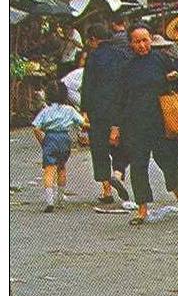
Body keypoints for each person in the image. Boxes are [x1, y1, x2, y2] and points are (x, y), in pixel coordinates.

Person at [109, 24, 178, 225]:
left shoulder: (161, 58)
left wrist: (173, 76)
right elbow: (118, 98)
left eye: (145, 40)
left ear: (151, 40)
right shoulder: (125, 68)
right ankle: (142, 209)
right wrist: (115, 127)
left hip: (161, 121)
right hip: (135, 123)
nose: (142, 45)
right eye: (137, 41)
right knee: (139, 165)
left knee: (168, 159)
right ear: (130, 44)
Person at [80, 24, 131, 204]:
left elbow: (87, 85)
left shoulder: (93, 58)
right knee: (120, 143)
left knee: (99, 148)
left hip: (98, 109)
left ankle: (107, 190)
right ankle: (117, 173)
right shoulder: (122, 55)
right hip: (120, 108)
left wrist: (84, 110)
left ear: (94, 39)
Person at [32, 81, 88, 212]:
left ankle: (49, 201)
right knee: (62, 168)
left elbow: (35, 127)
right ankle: (60, 198)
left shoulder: (46, 111)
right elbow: (83, 123)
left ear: (48, 96)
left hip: (50, 138)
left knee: (49, 170)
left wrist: (43, 141)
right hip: (65, 139)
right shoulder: (69, 110)